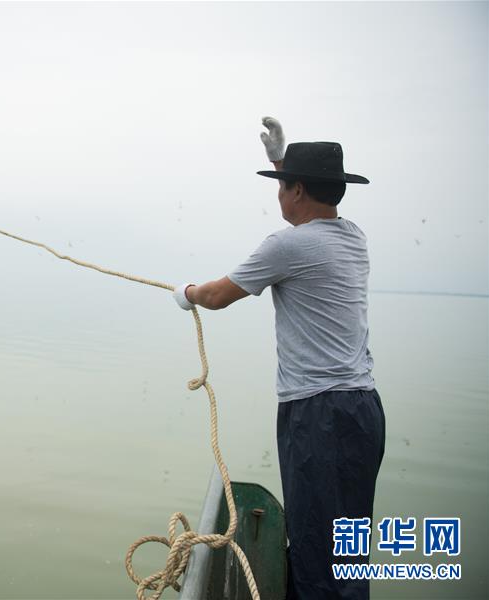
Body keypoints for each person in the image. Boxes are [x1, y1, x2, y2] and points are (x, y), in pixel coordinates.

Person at [173, 118, 385, 600]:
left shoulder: (287, 245)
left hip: (317, 415)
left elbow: (220, 295)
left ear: (298, 190)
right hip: (362, 409)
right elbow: (307, 208)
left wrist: (185, 293)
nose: (278, 196)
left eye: (281, 186)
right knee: (347, 545)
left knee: (315, 544)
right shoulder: (353, 237)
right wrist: (280, 163)